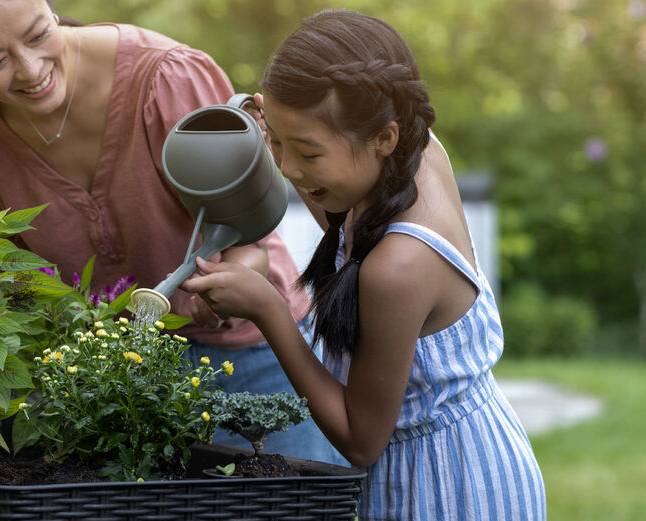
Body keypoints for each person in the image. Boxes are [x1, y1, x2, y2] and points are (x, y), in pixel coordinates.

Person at [0, 0, 346, 466]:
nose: (30, 69)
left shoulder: (166, 79)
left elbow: (249, 245)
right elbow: (10, 274)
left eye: (38, 35)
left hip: (250, 358)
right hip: (113, 381)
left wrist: (223, 289)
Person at [180, 9, 546, 520]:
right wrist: (287, 140)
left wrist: (269, 309)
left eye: (306, 152)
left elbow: (360, 440)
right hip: (456, 456)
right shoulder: (413, 153)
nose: (287, 168)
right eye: (280, 144)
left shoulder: (398, 267)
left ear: (385, 138)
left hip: (447, 487)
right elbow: (343, 210)